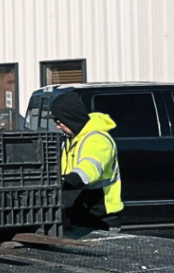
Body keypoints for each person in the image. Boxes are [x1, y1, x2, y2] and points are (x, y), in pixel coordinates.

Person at [50, 90, 124, 231]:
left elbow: (90, 167)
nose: (57, 127)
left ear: (70, 118)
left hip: (100, 220)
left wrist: (69, 179)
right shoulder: (72, 139)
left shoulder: (97, 139)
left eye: (59, 122)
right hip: (80, 216)